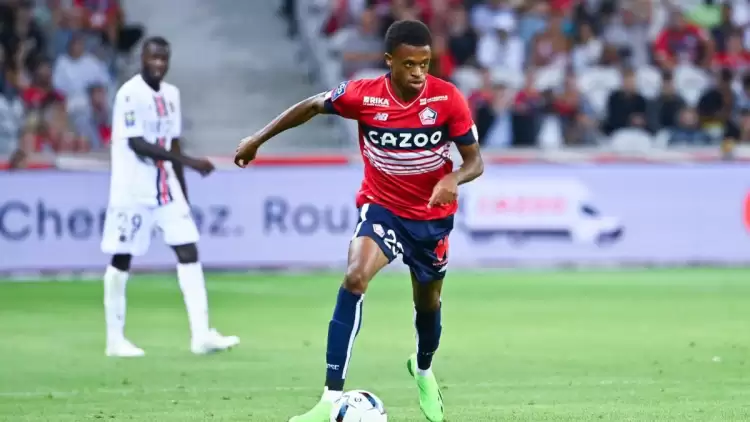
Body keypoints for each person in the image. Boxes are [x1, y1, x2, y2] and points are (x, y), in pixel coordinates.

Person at [234, 20, 484, 422]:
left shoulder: (447, 98)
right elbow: (312, 105)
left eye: (424, 64)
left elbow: (475, 161)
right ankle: (329, 399)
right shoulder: (363, 95)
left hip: (431, 218)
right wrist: (256, 140)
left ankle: (423, 369)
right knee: (355, 276)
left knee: (428, 302)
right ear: (389, 61)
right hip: (382, 207)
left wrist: (453, 178)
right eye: (409, 64)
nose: (418, 73)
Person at [101, 36, 239, 358]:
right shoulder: (129, 94)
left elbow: (172, 142)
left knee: (188, 250)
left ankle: (201, 335)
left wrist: (184, 192)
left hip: (165, 189)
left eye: (163, 58)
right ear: (142, 58)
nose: (159, 64)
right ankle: (114, 339)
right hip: (132, 191)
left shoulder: (172, 95)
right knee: (122, 259)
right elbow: (138, 144)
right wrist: (190, 162)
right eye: (153, 58)